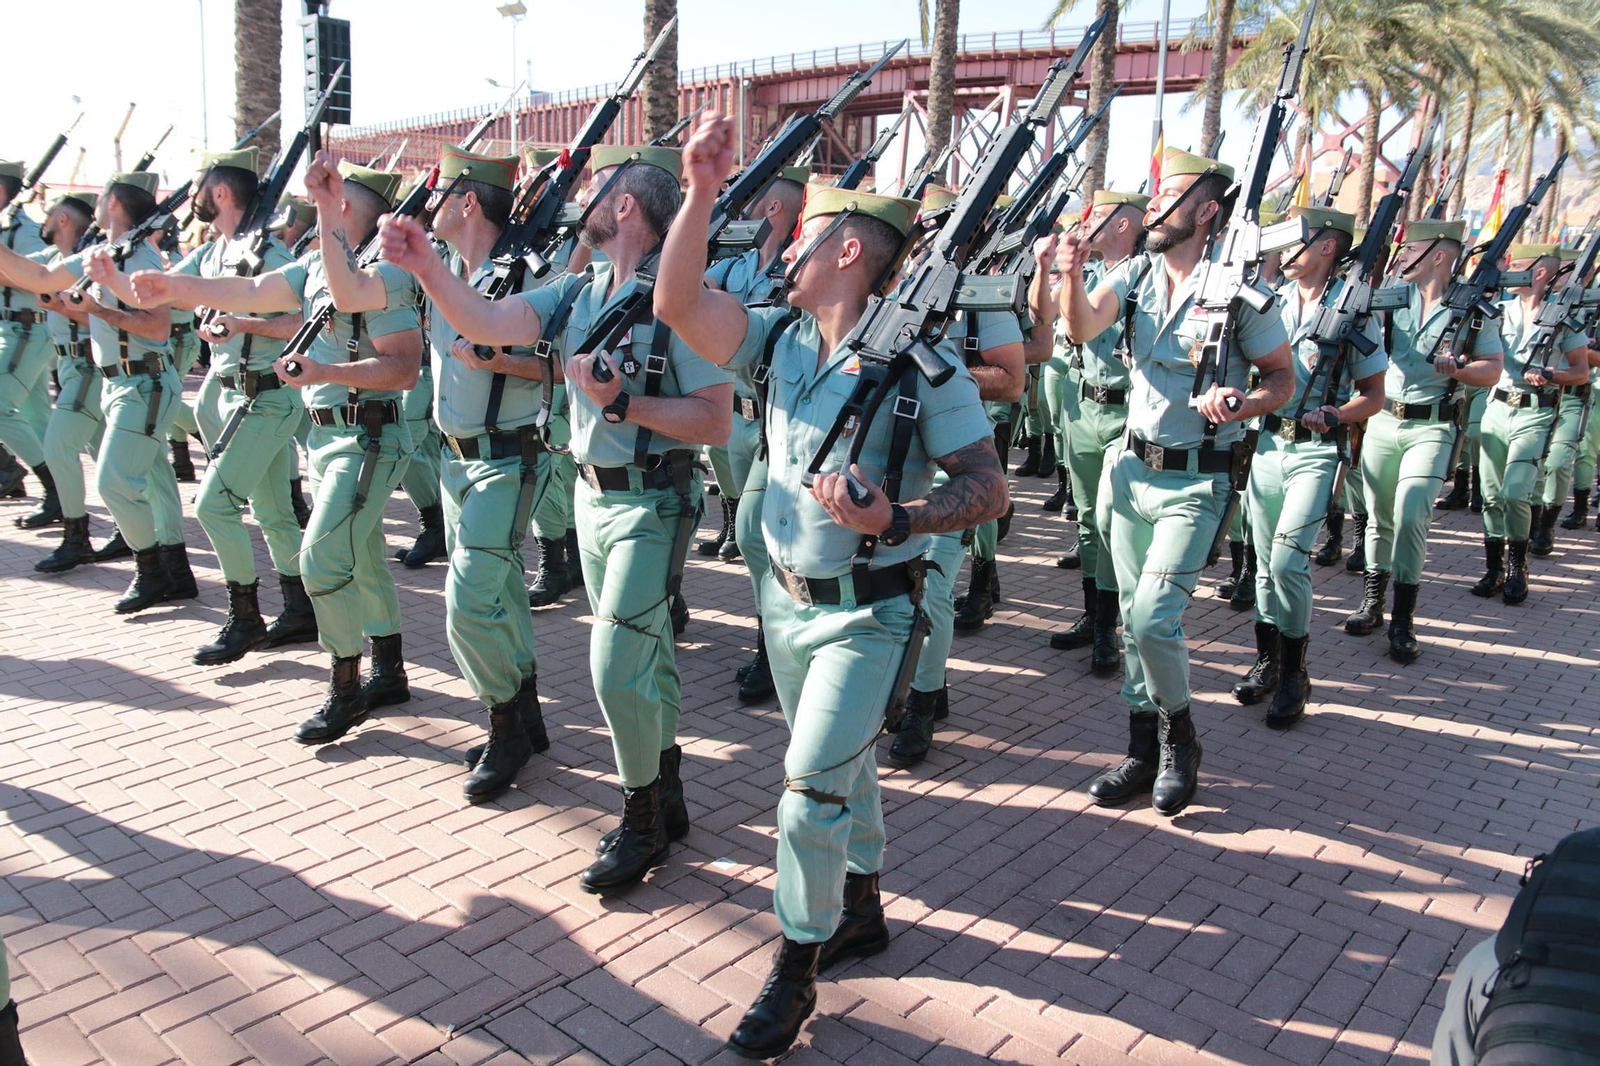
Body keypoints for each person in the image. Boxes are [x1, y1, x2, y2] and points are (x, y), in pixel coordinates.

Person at [655, 113, 1008, 1060]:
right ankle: (860, 903)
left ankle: (795, 966)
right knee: (841, 765)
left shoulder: (921, 367)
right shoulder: (778, 344)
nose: (783, 244)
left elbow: (988, 486)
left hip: (869, 613)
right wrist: (697, 194)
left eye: (800, 232)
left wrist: (897, 519)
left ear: (846, 248)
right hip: (782, 599)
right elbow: (678, 302)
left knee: (807, 789)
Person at [377, 142, 734, 893]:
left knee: (615, 666)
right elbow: (489, 317)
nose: (585, 203)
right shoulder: (578, 292)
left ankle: (640, 820)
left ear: (626, 207)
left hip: (653, 499)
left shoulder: (681, 300)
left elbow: (714, 422)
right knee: (647, 662)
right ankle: (666, 792)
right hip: (588, 497)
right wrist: (427, 269)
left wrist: (624, 404)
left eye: (600, 192)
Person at [131, 160, 424, 742]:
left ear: (346, 207)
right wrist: (175, 288)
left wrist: (324, 368)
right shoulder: (317, 265)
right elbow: (249, 289)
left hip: (368, 433)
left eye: (329, 203)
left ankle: (346, 686)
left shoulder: (388, 274)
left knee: (321, 559)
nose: (317, 213)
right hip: (326, 434)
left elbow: (402, 368)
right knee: (360, 553)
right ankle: (388, 670)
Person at [1059, 148, 1294, 817]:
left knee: (1154, 619)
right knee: (1135, 626)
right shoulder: (1134, 276)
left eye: (1172, 198)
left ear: (1208, 210)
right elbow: (1080, 326)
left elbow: (1283, 380)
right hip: (1129, 474)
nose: (1154, 211)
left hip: (1196, 483)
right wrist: (1071, 276)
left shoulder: (1237, 293)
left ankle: (1180, 740)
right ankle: (1141, 749)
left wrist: (1242, 403)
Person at [360, 142, 555, 801]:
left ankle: (504, 725)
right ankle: (525, 709)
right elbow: (357, 288)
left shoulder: (532, 273)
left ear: (467, 200)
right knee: (498, 590)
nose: (428, 207)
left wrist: (500, 361)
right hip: (455, 458)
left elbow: (560, 364)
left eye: (439, 194)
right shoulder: (440, 267)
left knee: (468, 603)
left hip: (509, 454)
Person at [95, 147, 316, 663]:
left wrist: (246, 323)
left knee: (213, 504)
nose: (191, 198)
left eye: (199, 187)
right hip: (231, 396)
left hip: (267, 397)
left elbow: (303, 322)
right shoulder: (214, 253)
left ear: (219, 192)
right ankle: (300, 610)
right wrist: (110, 279)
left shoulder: (270, 256)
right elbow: (157, 293)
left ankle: (245, 619)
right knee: (273, 512)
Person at [0, 171, 197, 613]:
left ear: (112, 204)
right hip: (116, 383)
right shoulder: (102, 253)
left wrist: (97, 308)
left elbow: (158, 327)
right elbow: (40, 276)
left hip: (144, 380)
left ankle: (154, 572)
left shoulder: (142, 256)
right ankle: (172, 569)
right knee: (145, 477)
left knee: (113, 482)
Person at [1232, 206, 1385, 723]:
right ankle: (1267, 660)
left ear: (1326, 247)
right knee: (1260, 562)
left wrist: (1336, 412)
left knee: (1286, 561)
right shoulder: (1265, 302)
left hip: (1316, 452)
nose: (1284, 249)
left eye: (1297, 240)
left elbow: (1375, 396)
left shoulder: (1353, 314)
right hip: (1266, 443)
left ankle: (1296, 671)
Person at [1345, 220, 1503, 656]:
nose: (1401, 255)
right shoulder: (1392, 297)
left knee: (1412, 513)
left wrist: (1461, 371)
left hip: (1433, 425)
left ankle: (1403, 619)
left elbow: (1492, 368)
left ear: (1437, 255)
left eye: (1410, 248)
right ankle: (1373, 602)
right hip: (1383, 420)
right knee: (1379, 515)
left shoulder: (1471, 307)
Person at [702, 163, 808, 703]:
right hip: (734, 418)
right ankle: (771, 631)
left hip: (772, 420)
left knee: (752, 534)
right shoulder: (734, 265)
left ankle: (774, 644)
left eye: (750, 200)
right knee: (753, 543)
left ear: (772, 208)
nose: (739, 208)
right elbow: (689, 291)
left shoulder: (798, 271)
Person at [1047, 189, 1148, 676]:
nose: (1085, 225)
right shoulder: (1087, 274)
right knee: (1087, 518)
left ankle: (1110, 628)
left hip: (1126, 413)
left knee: (1109, 517)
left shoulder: (1148, 276)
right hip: (1082, 405)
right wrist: (1055, 265)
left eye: (1098, 217)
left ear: (1125, 225)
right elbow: (1046, 316)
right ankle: (1094, 616)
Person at [1472, 243, 1589, 603]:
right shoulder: (1496, 312)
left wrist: (1552, 374)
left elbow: (1581, 371)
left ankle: (1517, 565)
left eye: (1516, 266)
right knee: (1490, 495)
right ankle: (1493, 568)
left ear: (1538, 272)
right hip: (1497, 408)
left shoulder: (1563, 316)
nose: (1508, 271)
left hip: (1536, 412)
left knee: (1515, 492)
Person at [2, 191, 100, 567]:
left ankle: (78, 536)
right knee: (103, 453)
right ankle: (150, 548)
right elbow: (29, 273)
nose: (43, 217)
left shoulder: (86, 261)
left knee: (61, 448)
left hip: (89, 366)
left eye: (50, 212)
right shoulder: (57, 258)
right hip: (71, 365)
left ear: (63, 220)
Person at [0, 160, 56, 517]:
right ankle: (62, 494)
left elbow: (43, 277)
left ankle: (53, 490)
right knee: (38, 420)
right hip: (12, 329)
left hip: (28, 328)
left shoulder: (25, 229)